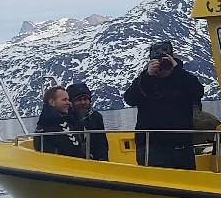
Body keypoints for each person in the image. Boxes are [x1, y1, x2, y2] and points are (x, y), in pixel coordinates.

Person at [124, 41, 206, 170]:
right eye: (157, 60)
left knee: (186, 185)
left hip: (182, 146)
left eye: (165, 59)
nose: (161, 64)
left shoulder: (183, 78)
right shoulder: (144, 80)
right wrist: (148, 77)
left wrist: (177, 70)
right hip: (152, 147)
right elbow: (130, 99)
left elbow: (198, 92)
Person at [34, 85, 83, 157]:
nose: (69, 103)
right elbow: (73, 151)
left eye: (68, 100)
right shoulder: (50, 125)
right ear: (52, 102)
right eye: (64, 100)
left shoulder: (51, 121)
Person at [66, 81, 108, 161]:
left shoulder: (96, 117)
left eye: (85, 99)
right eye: (78, 100)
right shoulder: (66, 118)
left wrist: (103, 161)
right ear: (71, 102)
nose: (83, 102)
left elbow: (102, 143)